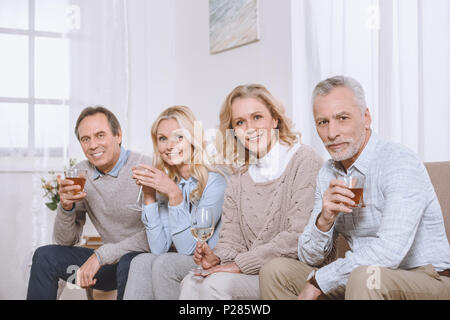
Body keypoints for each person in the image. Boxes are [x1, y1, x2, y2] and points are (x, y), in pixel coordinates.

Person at [259, 75, 450, 300]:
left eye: (342, 118)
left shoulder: (399, 161)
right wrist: (325, 220)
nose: (332, 133)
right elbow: (309, 257)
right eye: (323, 122)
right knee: (276, 271)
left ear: (366, 117)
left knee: (364, 277)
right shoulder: (328, 173)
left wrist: (319, 280)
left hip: (425, 277)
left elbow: (389, 252)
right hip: (362, 276)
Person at [178, 84, 323, 300]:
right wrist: (216, 257)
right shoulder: (239, 178)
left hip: (290, 273)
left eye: (257, 117)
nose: (250, 128)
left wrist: (239, 265)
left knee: (215, 286)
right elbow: (231, 240)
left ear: (275, 120)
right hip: (254, 271)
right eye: (240, 122)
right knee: (192, 281)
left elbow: (298, 236)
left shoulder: (303, 159)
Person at [27, 106, 151, 300]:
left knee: (130, 262)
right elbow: (65, 241)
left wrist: (100, 256)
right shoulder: (80, 174)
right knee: (45, 256)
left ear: (118, 135)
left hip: (143, 261)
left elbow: (157, 236)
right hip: (108, 265)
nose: (93, 145)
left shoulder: (146, 167)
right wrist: (66, 207)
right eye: (86, 139)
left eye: (100, 135)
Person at [123, 105, 227, 299]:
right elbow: (158, 248)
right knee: (140, 261)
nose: (169, 146)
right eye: (163, 139)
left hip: (209, 260)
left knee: (164, 264)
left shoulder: (215, 181)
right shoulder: (169, 182)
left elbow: (188, 249)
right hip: (182, 258)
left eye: (178, 137)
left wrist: (174, 194)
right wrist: (148, 194)